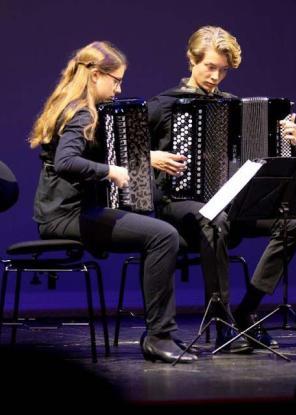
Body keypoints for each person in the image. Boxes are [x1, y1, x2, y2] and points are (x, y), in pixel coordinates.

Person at [29, 41, 196, 364]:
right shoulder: (80, 113)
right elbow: (67, 162)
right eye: (116, 80)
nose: (120, 88)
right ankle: (158, 337)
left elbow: (95, 154)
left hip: (68, 212)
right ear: (95, 75)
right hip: (67, 216)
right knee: (163, 235)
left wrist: (147, 158)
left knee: (164, 234)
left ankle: (161, 331)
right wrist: (111, 173)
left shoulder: (75, 106)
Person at [148, 26, 296, 351]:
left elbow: (266, 160)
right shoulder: (164, 105)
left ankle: (245, 312)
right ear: (191, 60)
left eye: (223, 70)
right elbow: (125, 151)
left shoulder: (234, 106)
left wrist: (289, 142)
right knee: (213, 218)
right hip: (177, 203)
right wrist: (153, 156)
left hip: (228, 204)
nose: (216, 76)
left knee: (292, 223)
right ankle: (220, 324)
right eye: (210, 67)